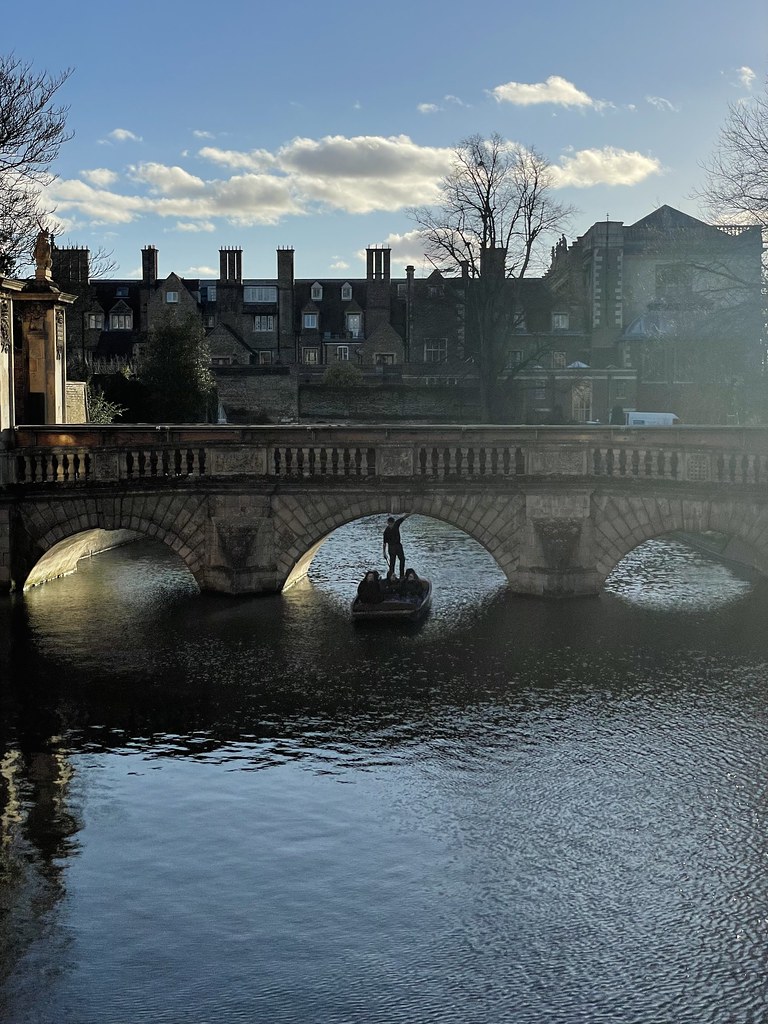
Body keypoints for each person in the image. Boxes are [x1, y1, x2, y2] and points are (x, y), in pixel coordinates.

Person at [382, 513, 411, 577]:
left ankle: (401, 575)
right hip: (391, 547)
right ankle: (391, 576)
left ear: (393, 523)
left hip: (398, 545)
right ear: (387, 523)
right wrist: (384, 553)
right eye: (389, 524)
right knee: (392, 563)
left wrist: (411, 513)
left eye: (391, 524)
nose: (390, 526)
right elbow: (384, 543)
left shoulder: (396, 524)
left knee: (402, 559)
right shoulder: (386, 531)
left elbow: (404, 517)